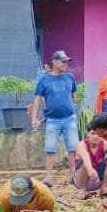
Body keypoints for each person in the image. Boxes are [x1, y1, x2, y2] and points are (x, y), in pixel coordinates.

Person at [28, 50, 79, 187]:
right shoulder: (44, 80)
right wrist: (34, 118)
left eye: (66, 62)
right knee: (50, 148)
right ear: (54, 62)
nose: (65, 64)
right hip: (52, 119)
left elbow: (74, 95)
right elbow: (37, 100)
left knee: (73, 148)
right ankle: (49, 177)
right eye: (63, 61)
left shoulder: (70, 78)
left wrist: (71, 107)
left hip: (69, 118)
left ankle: (73, 176)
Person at [71, 114, 107, 196]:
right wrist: (90, 170)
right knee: (84, 161)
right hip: (81, 180)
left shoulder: (105, 144)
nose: (95, 136)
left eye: (97, 134)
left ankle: (104, 188)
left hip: (98, 179)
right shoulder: (81, 145)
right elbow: (85, 156)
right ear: (87, 134)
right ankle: (82, 190)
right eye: (93, 133)